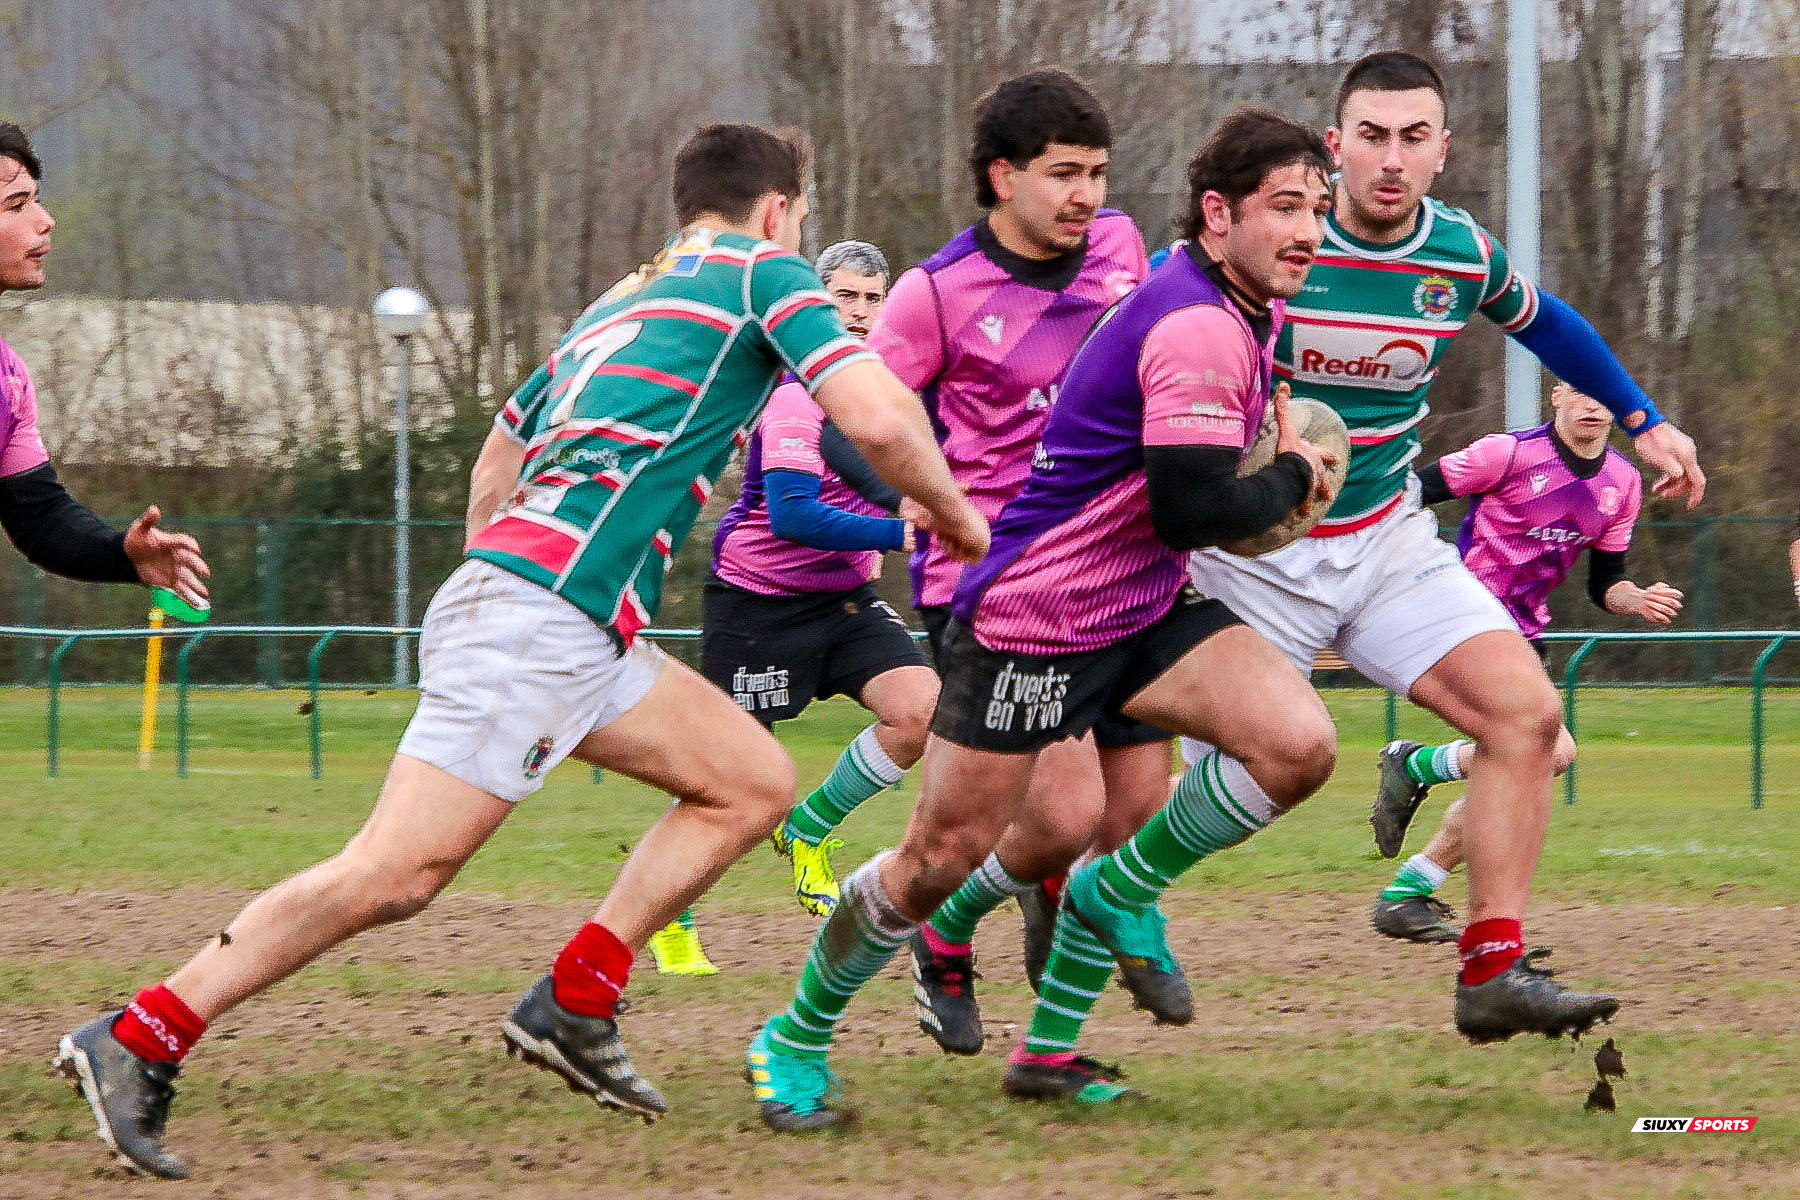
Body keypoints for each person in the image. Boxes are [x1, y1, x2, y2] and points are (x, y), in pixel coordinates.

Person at [55, 122, 988, 1180]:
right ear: (779, 210)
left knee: (750, 779)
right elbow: (872, 414)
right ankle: (139, 1037)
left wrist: (494, 579)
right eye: (801, 214)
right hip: (542, 617)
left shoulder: (622, 300)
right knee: (396, 874)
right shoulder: (764, 270)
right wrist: (950, 512)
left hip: (561, 617)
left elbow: (501, 449)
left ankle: (576, 999)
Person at [747, 107, 1342, 1129]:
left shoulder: (1216, 297)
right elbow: (1193, 507)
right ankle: (791, 1035)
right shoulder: (1190, 320)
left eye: (1317, 210)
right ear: (1216, 213)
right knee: (947, 855)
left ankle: (1065, 1011)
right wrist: (1292, 474)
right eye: (1285, 206)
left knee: (1295, 744)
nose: (1308, 230)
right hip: (1036, 613)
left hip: (1141, 601)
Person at [1179, 50, 1696, 1043]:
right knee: (1236, 779)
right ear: (1334, 146)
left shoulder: (1458, 253)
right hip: (1252, 559)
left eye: (1414, 137)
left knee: (1528, 720)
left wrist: (1646, 417)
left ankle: (1492, 968)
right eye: (1371, 135)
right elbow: (1162, 338)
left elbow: (1551, 325)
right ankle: (1098, 889)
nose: (1391, 157)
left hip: (1383, 545)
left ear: (1443, 151)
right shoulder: (1281, 243)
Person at [861, 68, 1178, 1057]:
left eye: (1097, 173)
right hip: (1001, 586)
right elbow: (854, 417)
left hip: (1124, 571)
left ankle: (1048, 1038)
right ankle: (944, 933)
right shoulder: (935, 294)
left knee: (1134, 815)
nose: (1086, 195)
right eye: (1062, 174)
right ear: (1002, 176)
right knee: (1061, 814)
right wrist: (910, 482)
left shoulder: (1122, 249)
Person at [1370, 383, 1683, 940]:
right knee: (1542, 751)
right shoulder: (1506, 454)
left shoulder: (1623, 482)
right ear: (1556, 395)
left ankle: (1408, 882)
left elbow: (1605, 583)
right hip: (1461, 618)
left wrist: (1631, 598)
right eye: (1580, 392)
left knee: (1536, 758)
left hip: (1523, 631)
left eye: (1603, 395)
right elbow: (1402, 494)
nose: (1592, 405)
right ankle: (1416, 802)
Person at [702, 238, 935, 919]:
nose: (860, 312)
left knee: (920, 714)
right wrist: (904, 531)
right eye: (846, 297)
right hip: (755, 605)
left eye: (873, 299)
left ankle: (807, 830)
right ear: (817, 304)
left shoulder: (893, 404)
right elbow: (793, 515)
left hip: (844, 602)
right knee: (733, 787)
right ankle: (671, 920)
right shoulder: (795, 400)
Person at [0, 123, 209, 606]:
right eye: (16, 205)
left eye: (36, 200)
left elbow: (40, 515)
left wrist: (121, 555)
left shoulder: (8, 378)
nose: (45, 220)